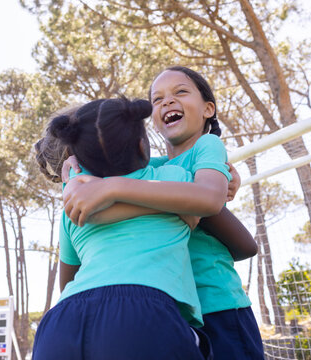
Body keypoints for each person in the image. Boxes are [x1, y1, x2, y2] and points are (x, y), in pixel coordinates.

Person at [61, 66, 264, 359]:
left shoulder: (208, 146)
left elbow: (234, 232)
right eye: (157, 99)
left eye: (181, 92)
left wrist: (112, 188)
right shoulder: (149, 170)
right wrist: (73, 167)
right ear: (150, 124)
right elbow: (103, 148)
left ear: (208, 108)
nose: (167, 101)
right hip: (168, 308)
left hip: (216, 304)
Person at [32, 97, 210, 360]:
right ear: (141, 146)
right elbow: (202, 210)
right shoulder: (173, 179)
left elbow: (67, 281)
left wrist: (72, 178)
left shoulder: (75, 207)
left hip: (61, 321)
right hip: (143, 315)